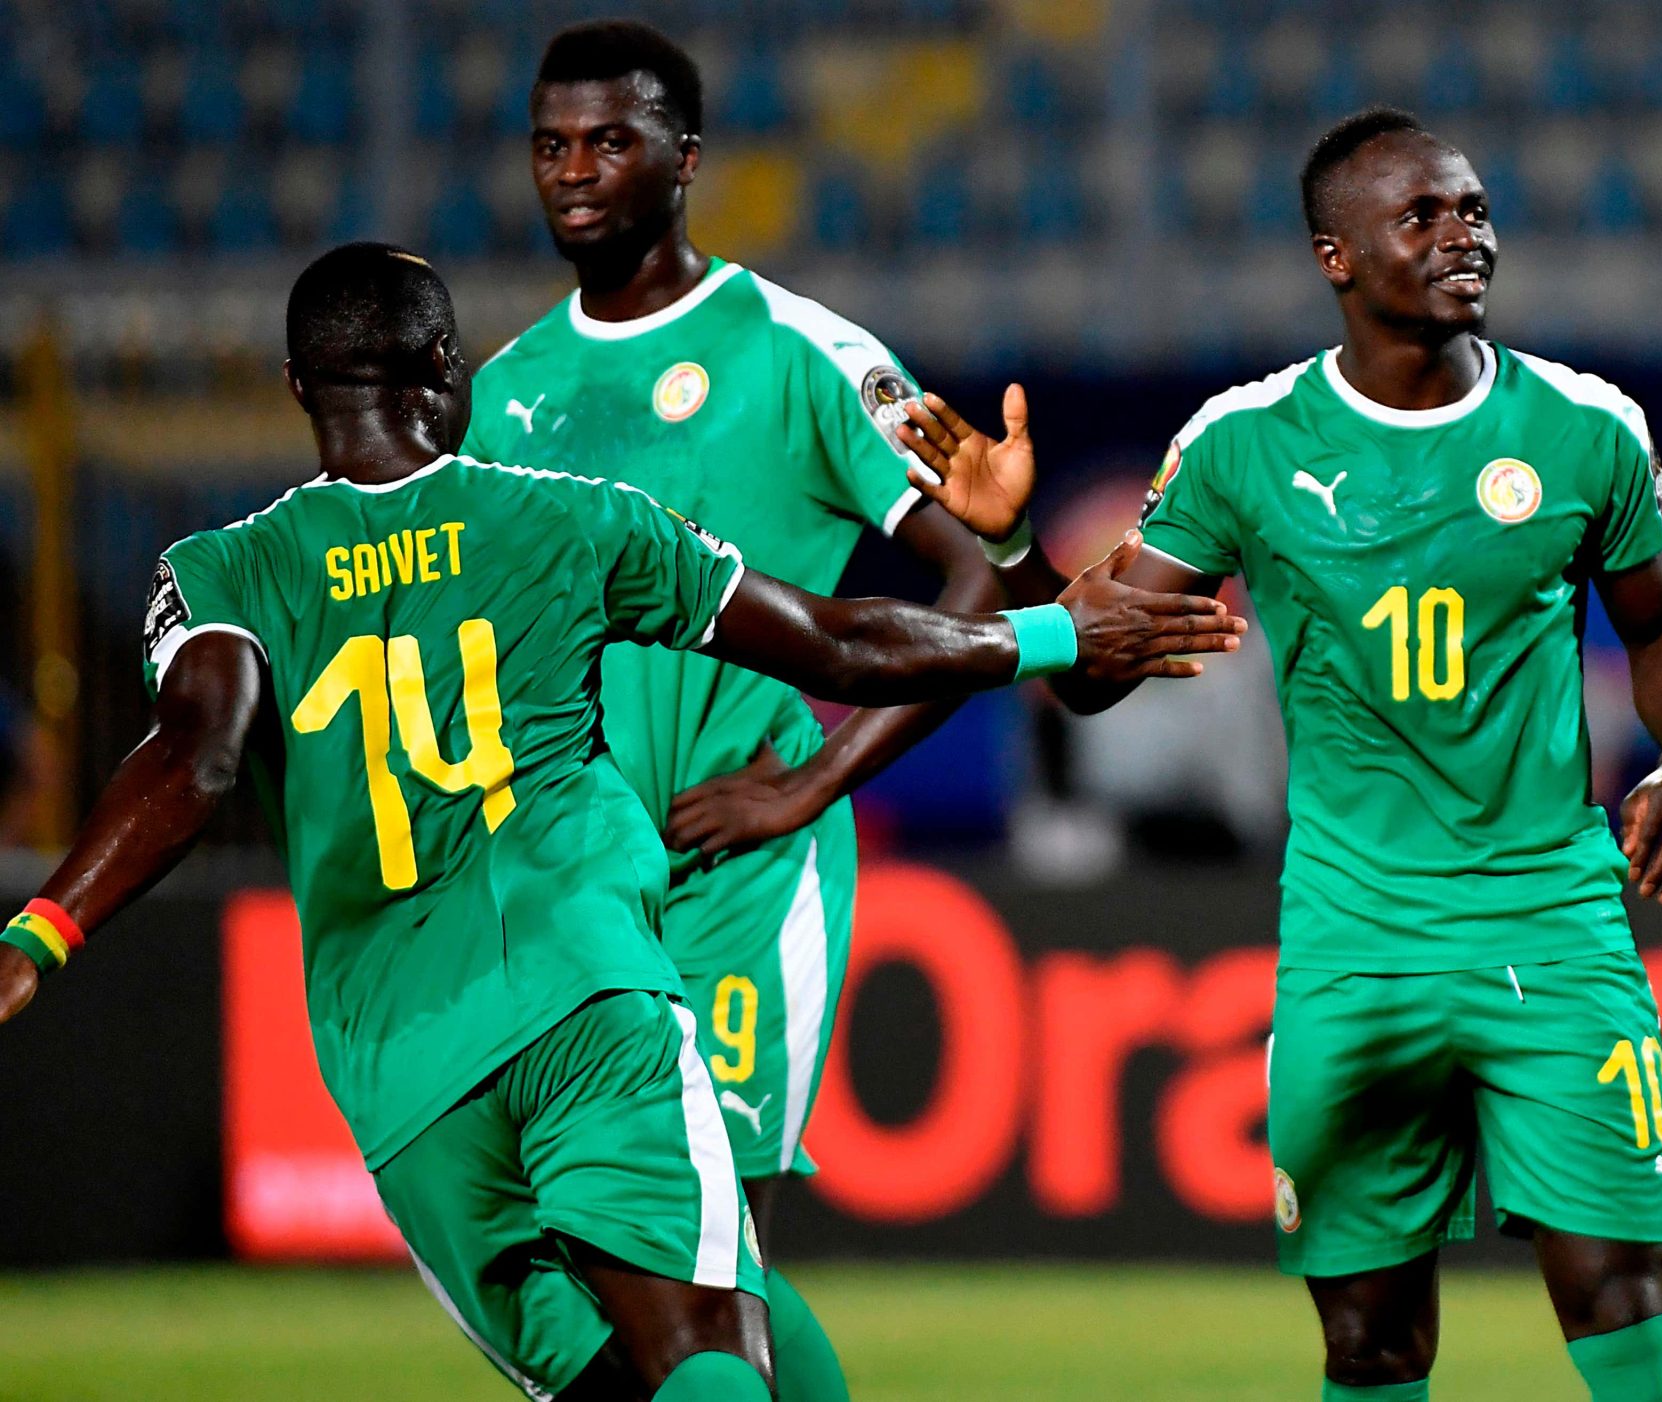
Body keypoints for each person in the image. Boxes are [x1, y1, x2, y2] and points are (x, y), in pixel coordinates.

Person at [0, 243, 1241, 1402]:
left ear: (293, 386)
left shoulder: (217, 572)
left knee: (617, 1379)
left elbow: (193, 761)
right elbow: (838, 642)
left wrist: (43, 929)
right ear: (448, 370)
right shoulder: (569, 517)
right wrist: (1054, 630)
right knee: (704, 1340)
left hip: (399, 1072)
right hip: (582, 995)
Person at [896, 109, 1662, 1402]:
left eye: (1473, 209)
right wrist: (1009, 553)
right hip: (1352, 939)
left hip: (1551, 925)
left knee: (1620, 1291)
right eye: (1422, 215)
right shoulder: (1244, 443)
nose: (1463, 235)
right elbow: (1093, 676)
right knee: (1367, 1340)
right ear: (1335, 256)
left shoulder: (1584, 426)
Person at [457, 27, 1004, 1395]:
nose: (575, 170)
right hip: (579, 886)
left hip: (737, 870)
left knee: (711, 1244)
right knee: (619, 1251)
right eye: (551, 144)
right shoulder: (507, 393)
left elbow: (982, 573)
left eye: (611, 140)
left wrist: (811, 783)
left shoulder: (799, 349)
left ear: (685, 158)